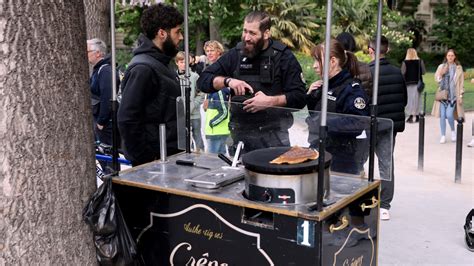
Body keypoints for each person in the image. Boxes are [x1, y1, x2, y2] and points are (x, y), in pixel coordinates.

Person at [197, 11, 306, 153]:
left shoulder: (283, 57)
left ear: (266, 34)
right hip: (241, 139)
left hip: (274, 139)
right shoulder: (235, 54)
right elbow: (203, 81)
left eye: (252, 33)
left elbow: (300, 96)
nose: (246, 38)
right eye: (245, 31)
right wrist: (228, 81)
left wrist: (270, 101)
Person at [118, 3, 184, 166]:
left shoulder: (160, 63)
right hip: (154, 163)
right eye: (177, 32)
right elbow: (127, 119)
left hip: (167, 157)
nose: (181, 37)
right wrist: (146, 159)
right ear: (162, 33)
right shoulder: (143, 69)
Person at [306, 39, 369, 175]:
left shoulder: (351, 89)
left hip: (341, 161)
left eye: (318, 61)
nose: (314, 66)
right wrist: (311, 95)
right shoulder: (326, 85)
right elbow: (315, 113)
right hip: (319, 151)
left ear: (333, 61)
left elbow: (359, 122)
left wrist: (325, 123)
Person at [368, 36, 407, 221]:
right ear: (388, 49)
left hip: (370, 125)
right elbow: (404, 99)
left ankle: (360, 199)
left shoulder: (367, 72)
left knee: (359, 162)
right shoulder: (397, 72)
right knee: (386, 164)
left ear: (370, 50)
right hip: (390, 125)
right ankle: (385, 205)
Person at [336, 32, 373, 176]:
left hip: (344, 126)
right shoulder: (365, 68)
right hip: (362, 125)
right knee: (358, 166)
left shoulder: (340, 67)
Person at [202, 40, 231, 154]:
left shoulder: (220, 70)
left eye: (212, 50)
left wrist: (211, 123)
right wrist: (207, 102)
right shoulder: (210, 69)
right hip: (217, 129)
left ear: (219, 52)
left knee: (211, 160)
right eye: (207, 51)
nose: (209, 53)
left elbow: (223, 109)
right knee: (221, 160)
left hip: (217, 128)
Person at [432, 49, 465, 144]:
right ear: (446, 56)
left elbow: (461, 83)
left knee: (449, 115)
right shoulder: (441, 66)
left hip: (453, 96)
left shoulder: (458, 68)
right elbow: (437, 80)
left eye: (452, 55)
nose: (450, 57)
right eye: (448, 55)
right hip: (443, 95)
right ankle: (443, 135)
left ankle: (453, 131)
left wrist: (461, 95)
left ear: (455, 57)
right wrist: (441, 73)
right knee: (442, 116)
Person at [175, 51, 204, 152]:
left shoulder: (195, 76)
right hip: (180, 115)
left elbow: (201, 93)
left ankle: (201, 155)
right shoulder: (174, 77)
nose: (183, 64)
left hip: (194, 113)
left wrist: (194, 104)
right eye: (181, 62)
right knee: (184, 139)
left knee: (197, 137)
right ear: (177, 63)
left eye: (185, 62)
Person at [401, 48, 426, 123]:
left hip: (408, 84)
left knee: (410, 100)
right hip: (418, 83)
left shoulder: (405, 63)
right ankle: (417, 115)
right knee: (417, 100)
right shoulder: (420, 62)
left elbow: (402, 73)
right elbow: (424, 72)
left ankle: (411, 116)